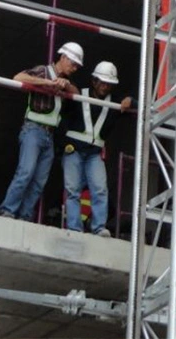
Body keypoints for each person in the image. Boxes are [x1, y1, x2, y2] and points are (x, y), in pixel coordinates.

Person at [0, 41, 83, 220]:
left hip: (49, 135)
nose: (74, 68)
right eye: (73, 63)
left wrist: (65, 85)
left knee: (39, 181)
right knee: (25, 172)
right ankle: (8, 210)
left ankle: (25, 215)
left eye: (77, 65)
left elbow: (77, 94)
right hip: (33, 130)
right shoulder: (43, 71)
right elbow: (18, 78)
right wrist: (46, 83)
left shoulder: (66, 82)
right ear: (63, 57)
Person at [60, 60, 133, 237]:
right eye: (102, 82)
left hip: (94, 154)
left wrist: (130, 100)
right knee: (72, 190)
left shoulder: (115, 103)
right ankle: (74, 228)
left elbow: (139, 104)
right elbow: (60, 109)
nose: (105, 87)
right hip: (73, 150)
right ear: (94, 81)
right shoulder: (79, 95)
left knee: (100, 189)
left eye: (109, 84)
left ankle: (99, 227)